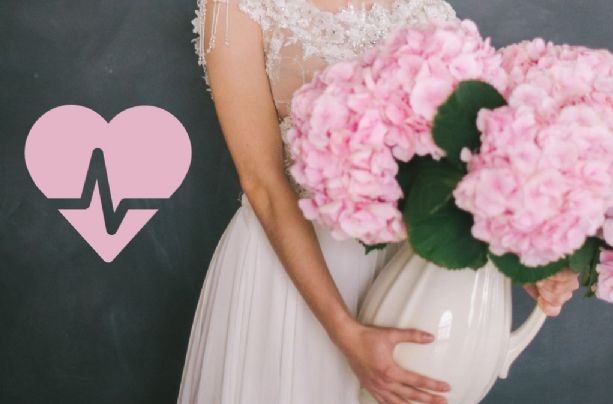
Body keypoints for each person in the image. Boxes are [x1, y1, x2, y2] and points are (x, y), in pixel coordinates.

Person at [177, 1, 581, 403]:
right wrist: (344, 331)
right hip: (295, 273)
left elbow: (463, 163)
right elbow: (263, 184)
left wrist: (522, 256)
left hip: (412, 270)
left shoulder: (427, 5)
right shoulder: (237, 6)